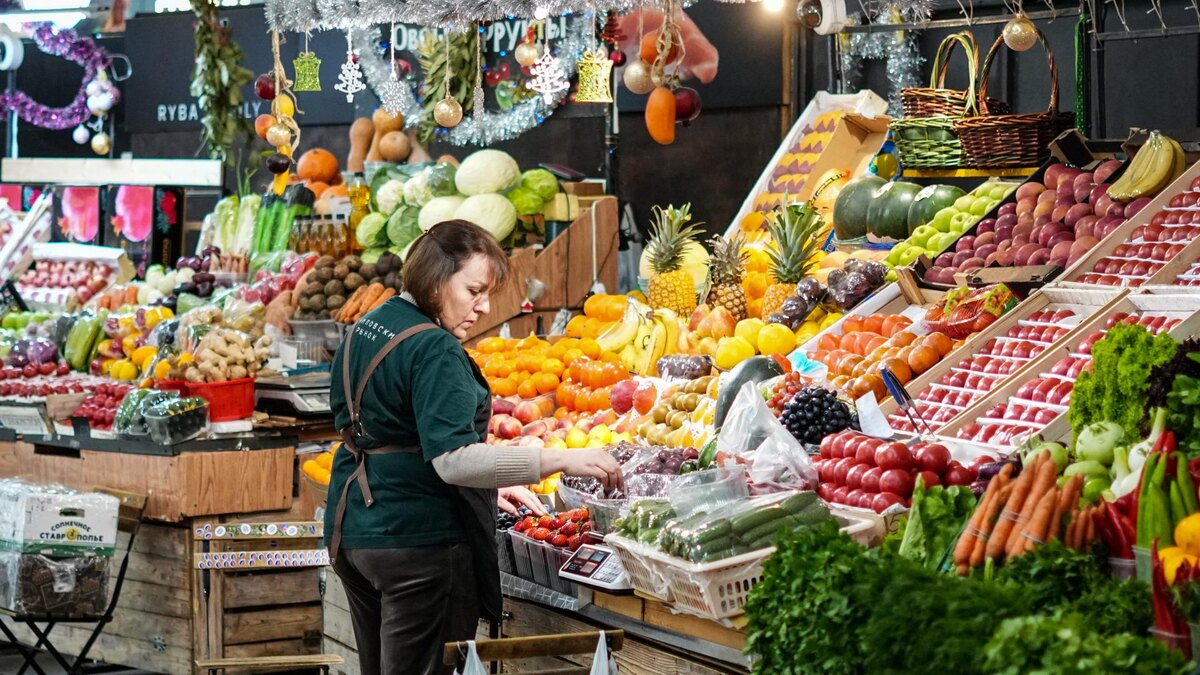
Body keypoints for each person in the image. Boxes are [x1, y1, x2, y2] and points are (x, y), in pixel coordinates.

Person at [324, 219, 623, 675]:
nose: (483, 308)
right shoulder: (435, 349)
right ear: (435, 277)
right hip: (415, 543)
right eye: (474, 291)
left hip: (353, 530)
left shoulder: (372, 323)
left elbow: (390, 431)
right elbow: (454, 461)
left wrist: (489, 484)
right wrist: (560, 458)